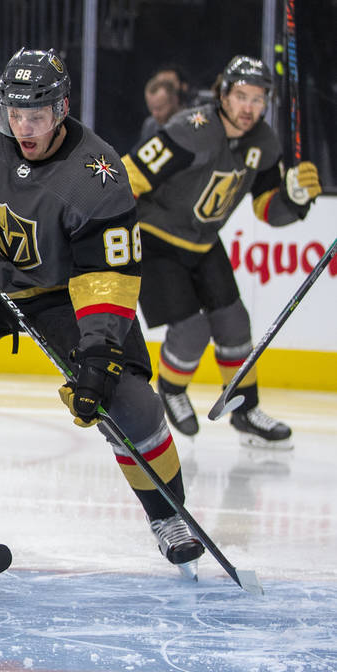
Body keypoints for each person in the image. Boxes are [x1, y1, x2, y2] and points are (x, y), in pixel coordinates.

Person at [0, 47, 206, 577]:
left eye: (39, 116)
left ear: (62, 109)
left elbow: (109, 277)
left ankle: (169, 516)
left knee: (129, 402)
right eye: (16, 113)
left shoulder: (98, 176)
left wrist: (97, 352)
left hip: (64, 292)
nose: (25, 126)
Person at [120, 55, 321, 450]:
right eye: (241, 96)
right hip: (155, 239)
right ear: (223, 93)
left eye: (258, 100)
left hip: (204, 242)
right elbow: (131, 174)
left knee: (234, 323)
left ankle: (244, 410)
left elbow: (268, 209)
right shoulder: (190, 130)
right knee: (192, 331)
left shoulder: (264, 143)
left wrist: (294, 200)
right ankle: (173, 389)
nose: (249, 108)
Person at [135, 64, 189, 148]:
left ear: (174, 100)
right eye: (151, 108)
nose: (155, 114)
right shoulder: (150, 125)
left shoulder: (192, 121)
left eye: (159, 108)